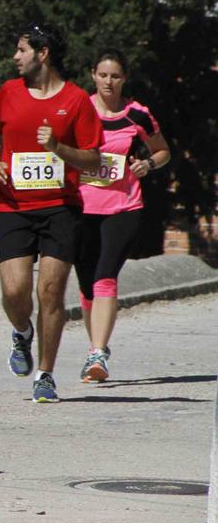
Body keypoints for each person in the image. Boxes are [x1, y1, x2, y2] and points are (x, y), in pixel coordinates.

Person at [0, 24, 103, 403]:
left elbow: (93, 158)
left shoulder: (77, 100)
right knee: (14, 291)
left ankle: (45, 374)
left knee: (50, 292)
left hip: (60, 207)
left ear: (43, 52)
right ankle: (22, 332)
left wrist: (57, 147)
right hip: (12, 206)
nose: (15, 57)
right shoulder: (8, 92)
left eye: (22, 50)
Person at [73, 51, 171, 382]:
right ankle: (95, 349)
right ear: (93, 75)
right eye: (103, 75)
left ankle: (98, 353)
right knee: (87, 284)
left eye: (115, 76)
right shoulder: (78, 109)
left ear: (124, 78)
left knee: (105, 276)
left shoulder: (137, 114)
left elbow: (163, 150)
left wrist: (148, 164)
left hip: (123, 206)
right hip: (82, 207)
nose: (108, 82)